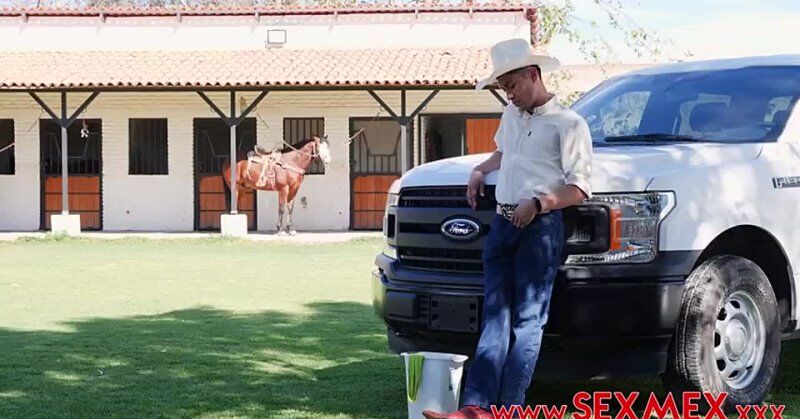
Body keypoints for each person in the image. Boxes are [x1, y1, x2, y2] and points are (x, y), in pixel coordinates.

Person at [423, 38, 593, 419]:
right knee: (495, 316)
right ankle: (475, 409)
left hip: (540, 227)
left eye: (512, 86)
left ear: (533, 74)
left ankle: (508, 409)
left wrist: (540, 204)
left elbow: (580, 187)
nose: (509, 95)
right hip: (502, 223)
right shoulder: (511, 116)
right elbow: (504, 153)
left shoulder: (569, 124)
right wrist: (479, 170)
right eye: (503, 89)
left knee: (528, 321)